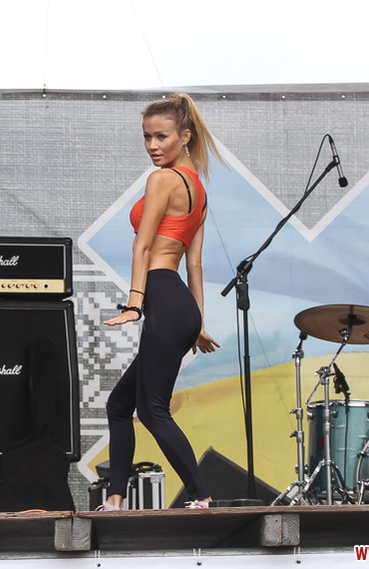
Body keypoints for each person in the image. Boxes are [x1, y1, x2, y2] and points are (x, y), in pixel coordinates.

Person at [101, 93, 226, 510]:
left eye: (161, 136)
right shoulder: (199, 191)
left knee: (152, 408)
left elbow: (142, 247)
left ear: (184, 137)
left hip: (161, 296)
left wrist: (134, 304)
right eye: (146, 137)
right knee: (120, 405)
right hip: (180, 306)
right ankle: (115, 499)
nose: (152, 146)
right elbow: (195, 265)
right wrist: (198, 323)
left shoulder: (162, 180)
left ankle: (202, 495)